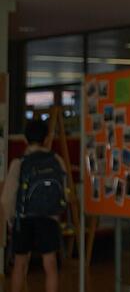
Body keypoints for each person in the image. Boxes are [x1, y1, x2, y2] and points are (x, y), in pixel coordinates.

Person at [0, 119, 67, 292]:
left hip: (24, 219)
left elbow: (7, 198)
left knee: (20, 264)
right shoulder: (57, 160)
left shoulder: (19, 163)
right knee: (50, 265)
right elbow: (62, 189)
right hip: (49, 218)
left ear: (25, 139)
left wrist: (10, 221)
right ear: (46, 139)